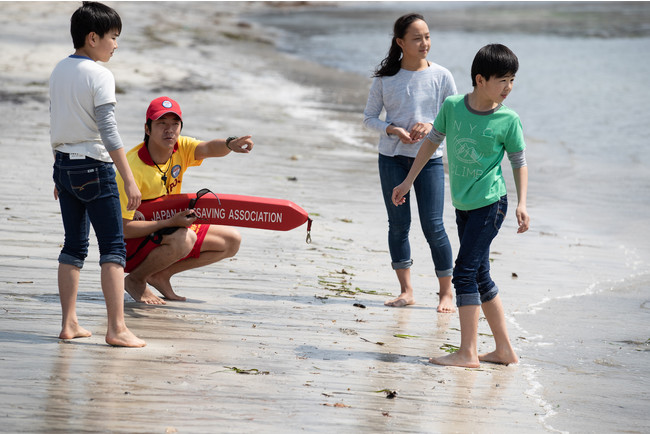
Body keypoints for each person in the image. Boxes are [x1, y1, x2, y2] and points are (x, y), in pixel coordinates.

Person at [392, 44, 529, 368]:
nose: (509, 88)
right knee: (480, 274)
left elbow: (518, 161)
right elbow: (430, 143)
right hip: (464, 204)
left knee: (464, 272)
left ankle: (467, 352)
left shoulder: (508, 119)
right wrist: (408, 181)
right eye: (503, 80)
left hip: (491, 204)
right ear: (480, 79)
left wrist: (522, 203)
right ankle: (504, 350)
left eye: (512, 80)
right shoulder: (453, 107)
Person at [50, 2, 145, 347]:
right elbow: (108, 129)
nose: (116, 45)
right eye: (113, 37)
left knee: (74, 246)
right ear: (93, 38)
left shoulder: (59, 69)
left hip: (64, 165)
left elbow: (57, 122)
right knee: (113, 249)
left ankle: (69, 323)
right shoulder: (100, 74)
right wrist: (129, 178)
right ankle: (117, 329)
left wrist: (57, 171)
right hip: (94, 167)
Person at [116, 96, 254, 305]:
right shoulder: (131, 169)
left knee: (231, 241)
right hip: (132, 244)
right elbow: (123, 229)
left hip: (168, 228)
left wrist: (230, 144)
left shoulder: (180, 148)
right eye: (161, 123)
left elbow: (208, 148)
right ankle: (137, 279)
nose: (169, 130)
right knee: (184, 238)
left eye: (174, 124)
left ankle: (160, 275)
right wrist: (170, 223)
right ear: (147, 128)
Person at [363, 13, 456, 312]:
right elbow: (368, 118)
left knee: (434, 226)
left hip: (429, 161)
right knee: (398, 225)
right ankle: (406, 291)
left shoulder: (442, 75)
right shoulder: (384, 79)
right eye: (417, 38)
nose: (425, 43)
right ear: (401, 42)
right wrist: (392, 129)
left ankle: (446, 293)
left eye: (427, 36)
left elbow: (453, 117)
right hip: (391, 159)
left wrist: (430, 126)